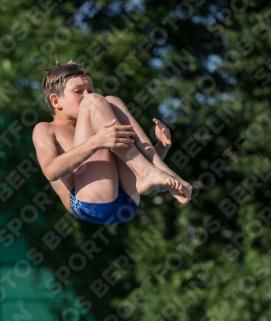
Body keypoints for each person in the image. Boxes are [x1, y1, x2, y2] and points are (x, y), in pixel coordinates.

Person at [33, 61, 192, 225]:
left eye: (90, 90)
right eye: (78, 91)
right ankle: (148, 172)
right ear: (56, 101)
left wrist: (162, 147)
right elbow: (51, 171)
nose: (86, 95)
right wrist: (96, 142)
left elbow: (130, 160)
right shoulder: (46, 129)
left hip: (128, 201)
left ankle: (163, 170)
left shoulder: (98, 121)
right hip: (91, 204)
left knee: (111, 100)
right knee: (95, 102)